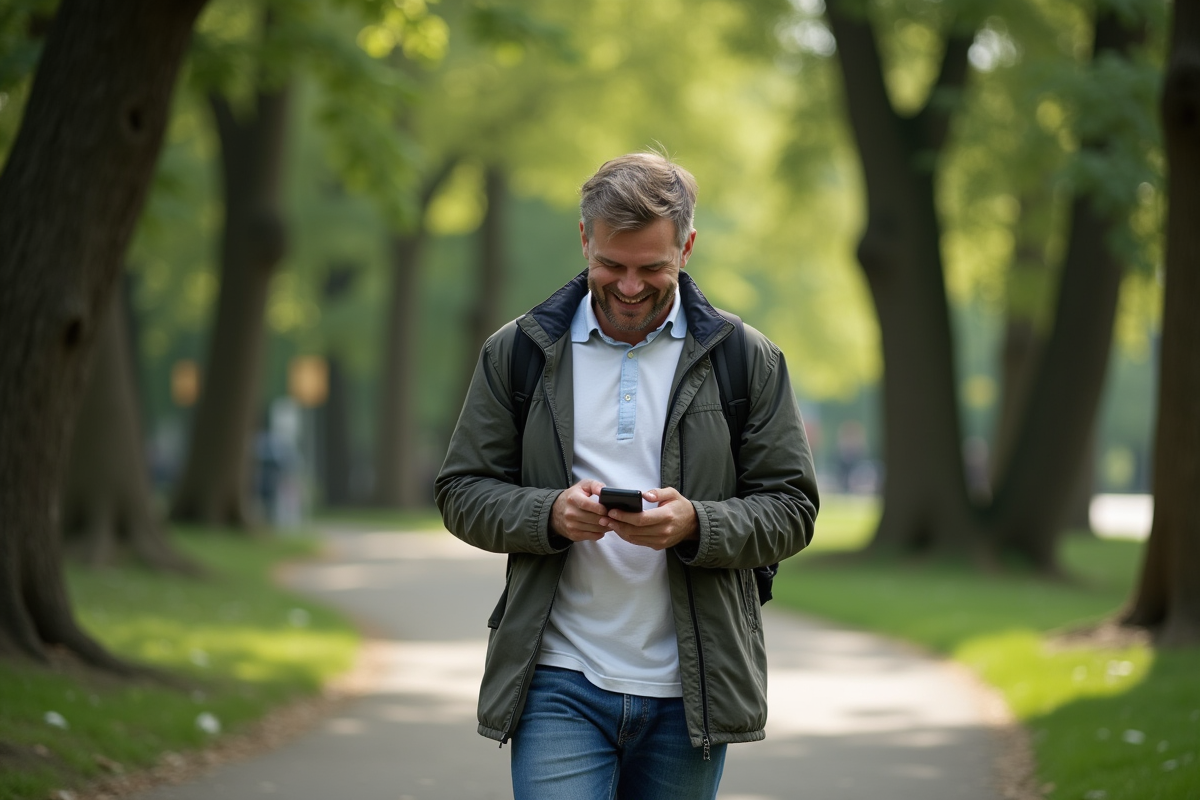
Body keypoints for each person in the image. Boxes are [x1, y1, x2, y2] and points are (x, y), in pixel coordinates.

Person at [436, 152, 819, 799]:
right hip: (556, 676)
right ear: (585, 238)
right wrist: (548, 514)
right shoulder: (520, 352)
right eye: (612, 265)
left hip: (690, 690)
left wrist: (697, 523)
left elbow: (792, 507)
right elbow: (461, 491)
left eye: (653, 268)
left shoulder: (744, 359)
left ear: (688, 247)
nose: (631, 286)